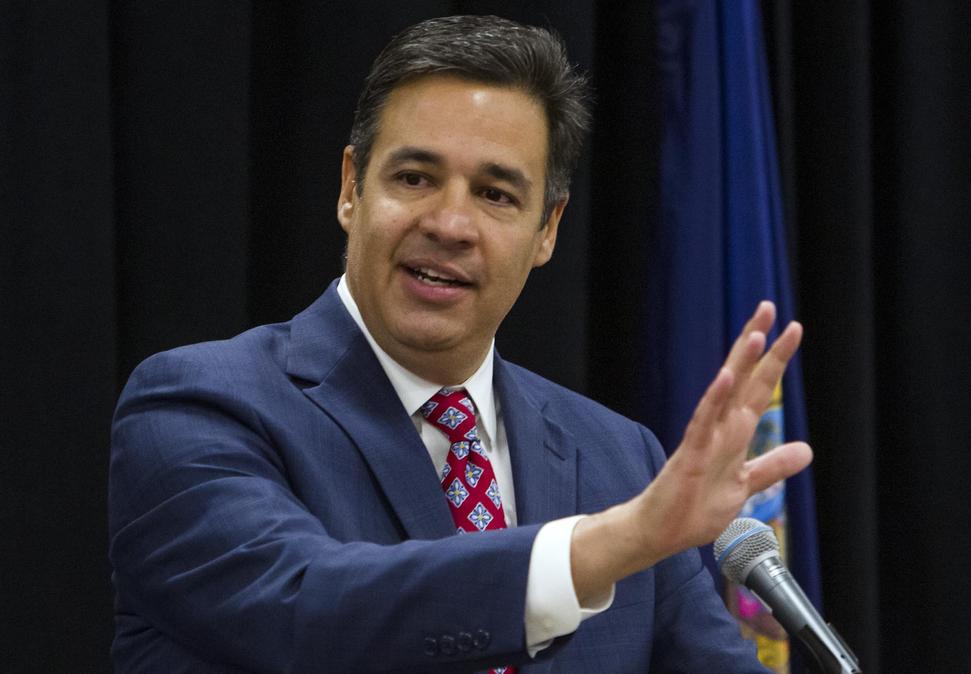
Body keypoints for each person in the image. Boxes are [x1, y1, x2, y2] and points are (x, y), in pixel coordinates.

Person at [108, 15, 812, 673]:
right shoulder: (199, 405)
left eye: (496, 195)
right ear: (351, 188)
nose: (450, 223)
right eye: (415, 179)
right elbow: (306, 608)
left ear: (548, 230)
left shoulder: (620, 458)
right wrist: (610, 544)